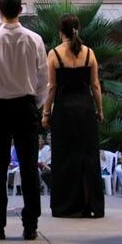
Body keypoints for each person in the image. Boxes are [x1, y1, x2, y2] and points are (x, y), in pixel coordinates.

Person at [0, 0, 48, 240]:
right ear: (21, 10)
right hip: (26, 106)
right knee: (29, 167)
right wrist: (35, 104)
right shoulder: (34, 39)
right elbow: (43, 79)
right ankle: (31, 225)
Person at [42, 13, 104, 218]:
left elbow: (52, 87)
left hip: (64, 111)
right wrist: (100, 110)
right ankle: (90, 204)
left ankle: (66, 206)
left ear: (60, 31)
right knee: (88, 157)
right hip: (85, 110)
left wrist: (46, 113)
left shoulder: (54, 54)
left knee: (64, 157)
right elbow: (95, 85)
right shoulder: (89, 53)